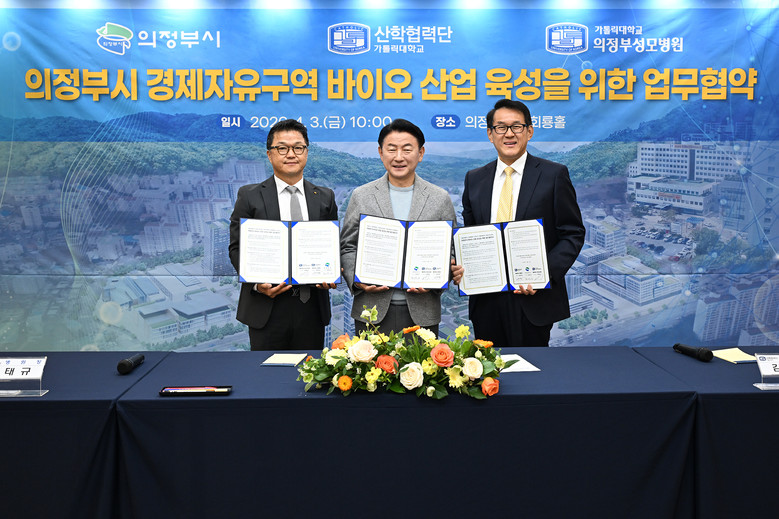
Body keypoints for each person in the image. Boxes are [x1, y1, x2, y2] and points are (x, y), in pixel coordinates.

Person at [459, 99, 585, 347]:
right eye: (501, 127)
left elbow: (572, 233)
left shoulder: (553, 174)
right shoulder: (474, 179)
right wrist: (460, 265)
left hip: (533, 299)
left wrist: (543, 275)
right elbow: (469, 235)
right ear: (490, 134)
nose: (509, 134)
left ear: (529, 131)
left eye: (516, 126)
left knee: (531, 369)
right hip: (486, 300)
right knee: (487, 368)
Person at [341, 119, 457, 337]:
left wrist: (436, 280)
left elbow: (452, 250)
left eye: (407, 149)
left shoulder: (439, 198)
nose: (399, 157)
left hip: (423, 311)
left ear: (420, 153)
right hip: (371, 311)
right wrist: (358, 279)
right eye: (392, 149)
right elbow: (347, 246)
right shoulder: (362, 195)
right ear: (380, 152)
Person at [228, 119, 337, 350]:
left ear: (306, 152)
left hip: (311, 308)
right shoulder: (250, 196)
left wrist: (332, 270)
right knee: (267, 371)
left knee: (310, 370)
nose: (291, 154)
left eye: (298, 147)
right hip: (266, 307)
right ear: (270, 155)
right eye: (282, 148)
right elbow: (236, 248)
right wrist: (257, 283)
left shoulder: (325, 197)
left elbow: (332, 247)